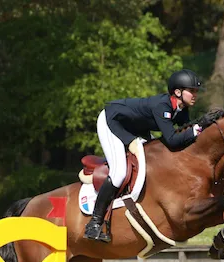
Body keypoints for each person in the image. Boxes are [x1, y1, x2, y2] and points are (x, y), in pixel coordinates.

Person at [84, 69, 205, 243]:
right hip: (112, 122)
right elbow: (171, 140)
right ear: (178, 92)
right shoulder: (162, 106)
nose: (195, 94)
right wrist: (195, 131)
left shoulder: (181, 109)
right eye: (191, 91)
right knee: (119, 173)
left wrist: (201, 128)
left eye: (196, 91)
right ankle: (94, 223)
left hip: (135, 127)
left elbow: (184, 134)